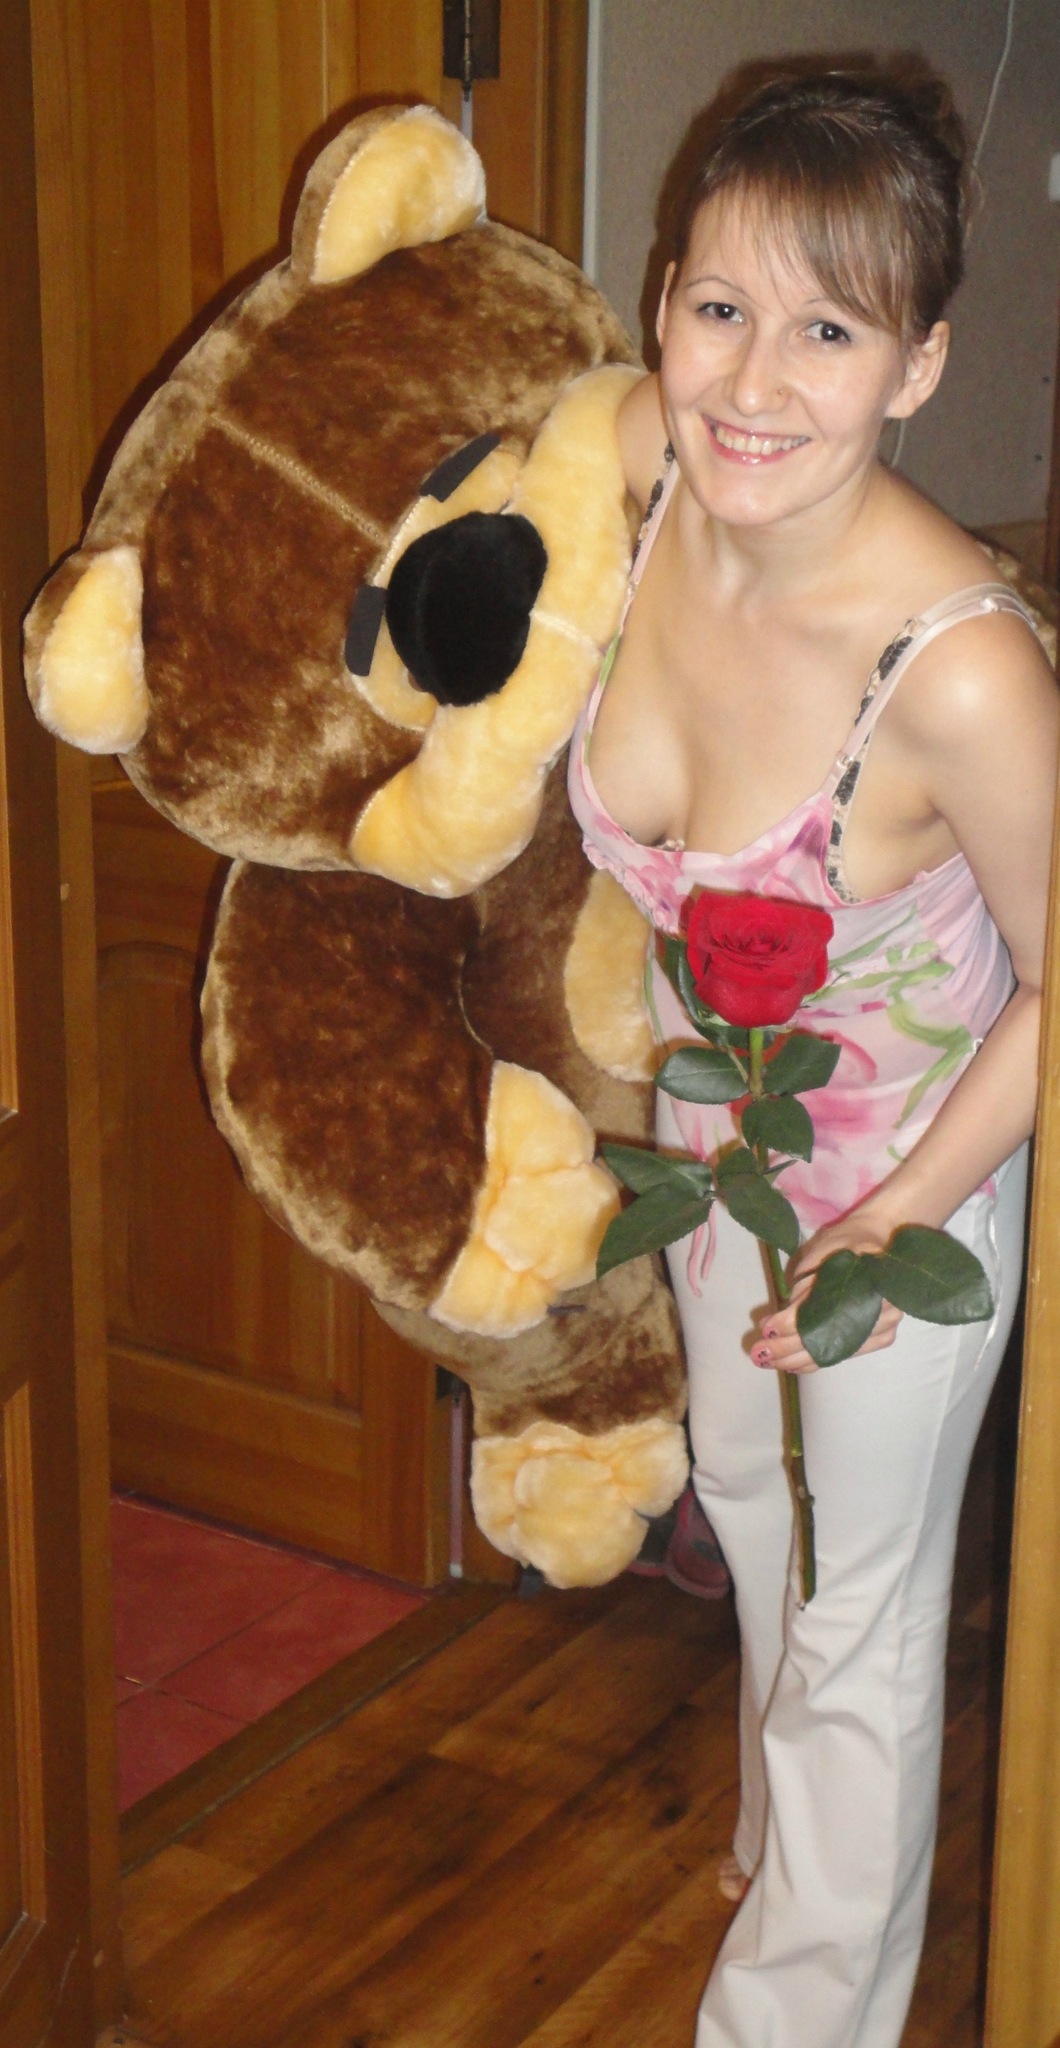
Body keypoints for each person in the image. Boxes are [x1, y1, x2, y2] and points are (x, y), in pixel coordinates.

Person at [568, 62, 1058, 2048]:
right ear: (663, 300)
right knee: (741, 1500)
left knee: (863, 1614)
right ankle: (786, 1840)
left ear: (917, 364)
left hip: (915, 1186)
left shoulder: (964, 671)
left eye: (829, 330)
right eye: (717, 306)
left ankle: (793, 2014)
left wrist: (895, 1217)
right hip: (719, 1149)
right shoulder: (638, 464)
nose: (752, 383)